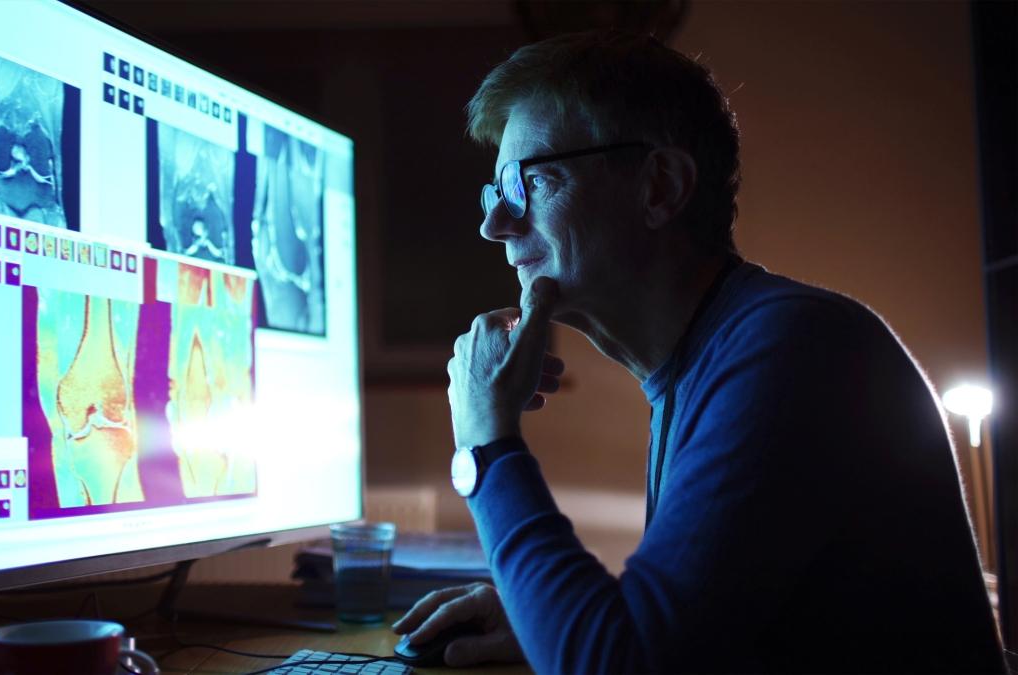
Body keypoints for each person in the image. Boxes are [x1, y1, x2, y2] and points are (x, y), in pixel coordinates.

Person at [391, 31, 1005, 673]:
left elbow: (621, 665)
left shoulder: (791, 350)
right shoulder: (706, 359)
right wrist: (539, 619)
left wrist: (486, 441)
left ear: (659, 187)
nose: (496, 224)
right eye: (496, 193)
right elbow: (693, 639)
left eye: (530, 181)